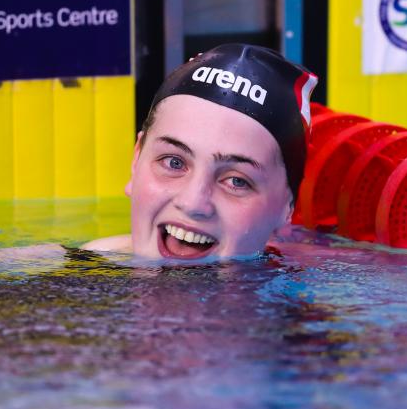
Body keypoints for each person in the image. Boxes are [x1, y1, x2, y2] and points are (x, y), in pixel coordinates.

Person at [83, 43, 318, 260]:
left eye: (237, 181)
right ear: (136, 161)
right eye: (174, 162)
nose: (193, 204)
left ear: (287, 207)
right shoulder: (78, 272)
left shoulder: (321, 291)